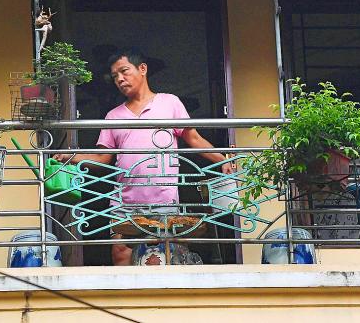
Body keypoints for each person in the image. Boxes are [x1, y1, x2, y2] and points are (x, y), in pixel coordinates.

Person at [53, 47, 234, 265]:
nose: (120, 79)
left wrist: (223, 159)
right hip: (124, 200)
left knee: (164, 255)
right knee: (120, 253)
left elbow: (193, 139)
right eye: (115, 76)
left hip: (163, 197)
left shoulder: (169, 103)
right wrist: (73, 157)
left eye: (124, 71)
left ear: (142, 69)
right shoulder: (113, 116)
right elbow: (103, 158)